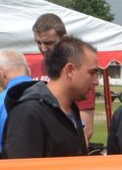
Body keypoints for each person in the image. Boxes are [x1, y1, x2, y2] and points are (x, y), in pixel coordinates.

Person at [3, 36, 99, 159]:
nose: (96, 81)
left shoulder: (70, 110)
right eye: (92, 73)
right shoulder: (28, 113)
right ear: (69, 70)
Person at [32, 13, 96, 144]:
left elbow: (86, 129)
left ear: (64, 39)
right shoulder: (31, 69)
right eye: (38, 43)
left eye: (48, 43)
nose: (43, 48)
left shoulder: (78, 73)